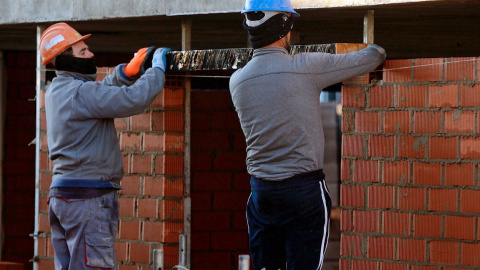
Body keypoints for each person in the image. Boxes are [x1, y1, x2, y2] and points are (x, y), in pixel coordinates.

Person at [229, 0, 386, 269]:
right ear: (285, 25)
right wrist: (378, 47)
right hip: (303, 192)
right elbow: (370, 58)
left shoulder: (237, 81)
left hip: (261, 193)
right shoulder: (306, 66)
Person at [39, 22, 170, 270]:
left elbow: (97, 93)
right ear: (66, 60)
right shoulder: (79, 92)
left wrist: (125, 74)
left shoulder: (59, 89)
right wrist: (157, 70)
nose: (91, 54)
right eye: (83, 52)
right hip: (87, 198)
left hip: (64, 198)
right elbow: (133, 100)